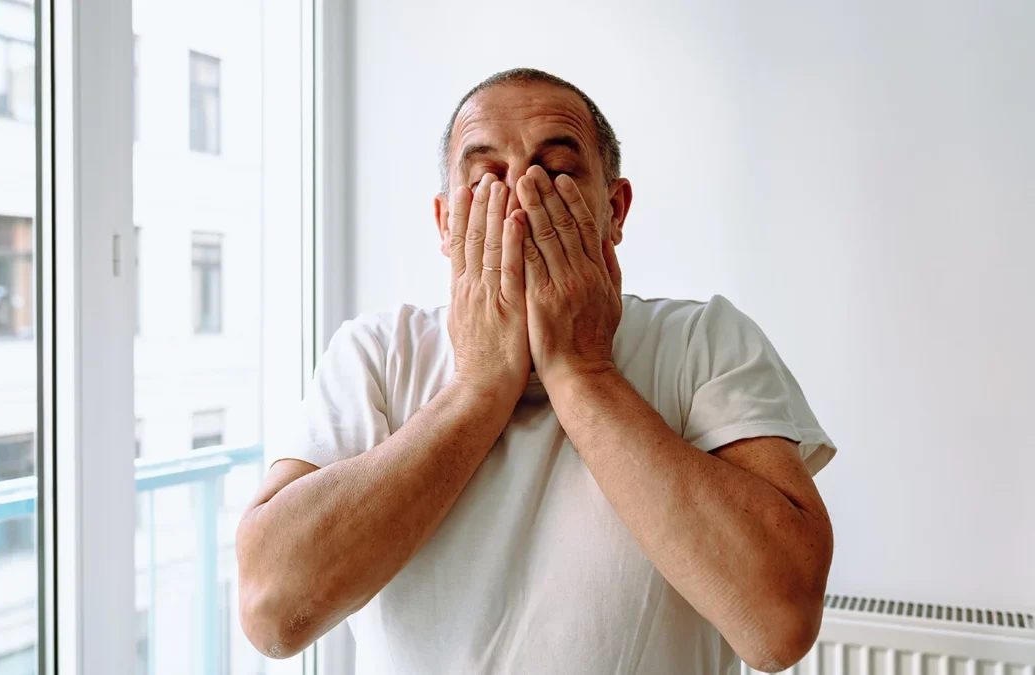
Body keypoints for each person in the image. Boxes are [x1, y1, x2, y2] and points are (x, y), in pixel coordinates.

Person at [237, 68, 836, 675]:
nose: (522, 199)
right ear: (447, 223)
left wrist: (584, 372)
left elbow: (779, 625)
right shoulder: (376, 353)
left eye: (555, 173)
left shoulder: (704, 340)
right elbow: (270, 614)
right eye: (485, 179)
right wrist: (477, 389)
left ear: (614, 208)